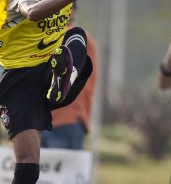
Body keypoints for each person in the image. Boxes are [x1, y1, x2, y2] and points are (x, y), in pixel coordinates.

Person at [0, 0, 93, 183]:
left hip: (48, 71)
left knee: (77, 36)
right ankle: (62, 79)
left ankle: (63, 80)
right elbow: (32, 11)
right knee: (28, 170)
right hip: (19, 82)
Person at [41, 1, 98, 150]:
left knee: (65, 173)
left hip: (67, 120)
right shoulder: (41, 36)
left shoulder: (79, 38)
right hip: (39, 118)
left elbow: (86, 81)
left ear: (74, 12)